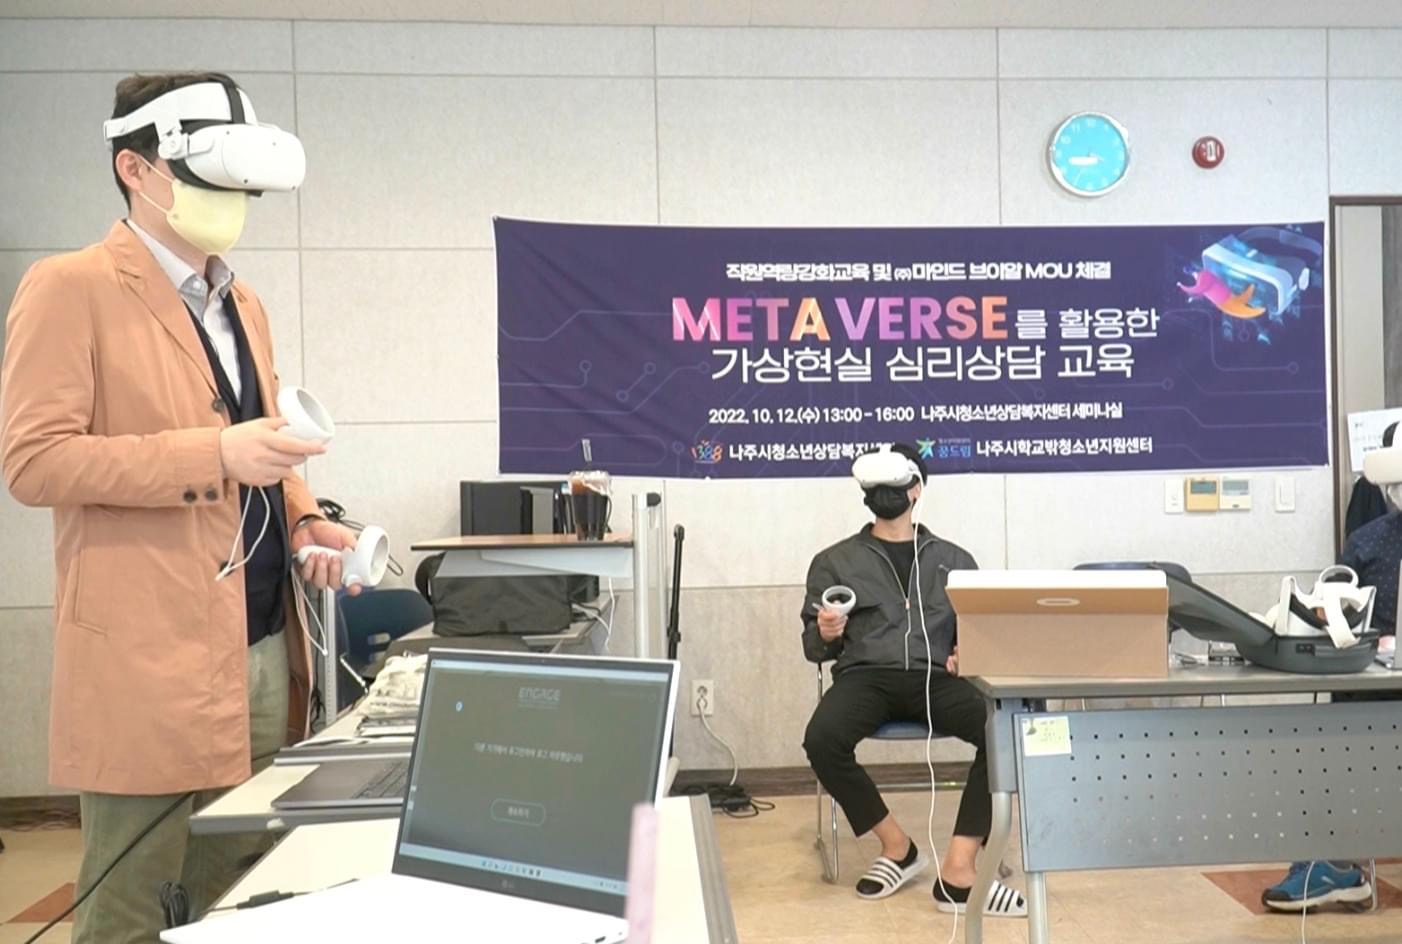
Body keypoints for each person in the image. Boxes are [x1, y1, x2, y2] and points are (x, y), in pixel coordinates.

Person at [1, 72, 361, 943]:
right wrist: (212, 455)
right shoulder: (70, 287)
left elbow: (261, 436)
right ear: (135, 169)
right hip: (148, 654)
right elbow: (34, 461)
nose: (230, 202)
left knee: (237, 886)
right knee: (134, 900)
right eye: (208, 178)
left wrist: (304, 517)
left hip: (262, 644)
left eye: (241, 186)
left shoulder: (244, 302)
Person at [800, 443, 1026, 917]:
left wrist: (968, 654)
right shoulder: (835, 561)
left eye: (895, 484)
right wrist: (825, 632)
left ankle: (960, 869)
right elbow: (814, 648)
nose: (886, 492)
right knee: (821, 739)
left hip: (936, 678)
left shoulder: (954, 559)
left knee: (1002, 729)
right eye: (877, 486)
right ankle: (898, 848)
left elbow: (978, 634)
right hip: (867, 677)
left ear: (916, 489)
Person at [1261, 433, 1402, 912]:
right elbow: (1330, 614)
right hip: (1372, 693)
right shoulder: (1369, 542)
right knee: (1330, 743)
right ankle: (1333, 866)